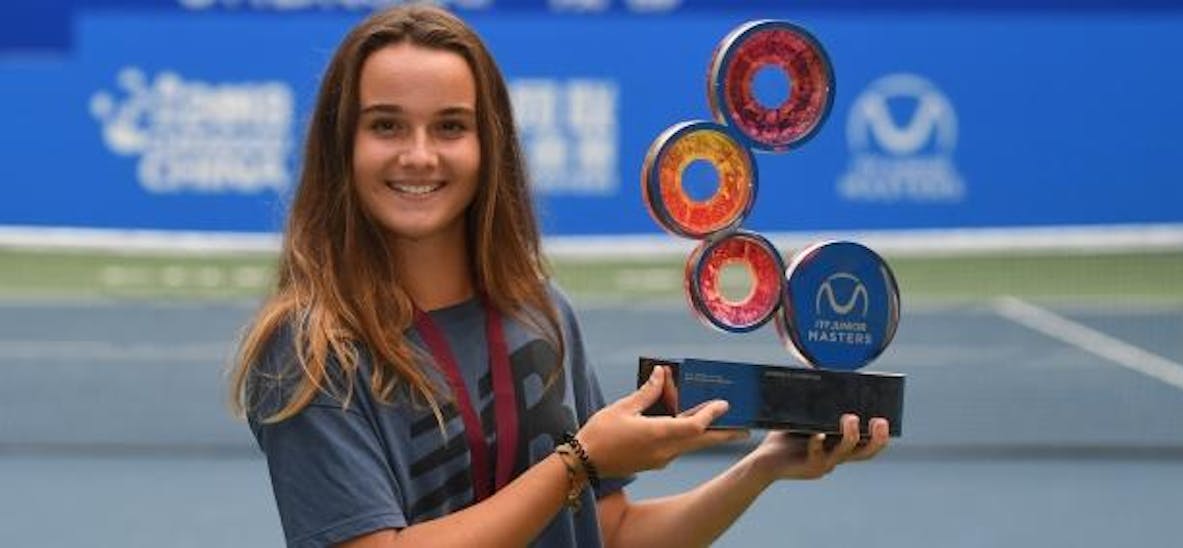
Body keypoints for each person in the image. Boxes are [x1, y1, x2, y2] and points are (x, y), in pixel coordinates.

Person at [229, 5, 889, 547]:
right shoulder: (310, 348)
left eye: (451, 126)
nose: (420, 154)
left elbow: (612, 532)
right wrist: (579, 461)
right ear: (342, 145)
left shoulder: (539, 310)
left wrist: (761, 467)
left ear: (489, 146)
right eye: (386, 126)